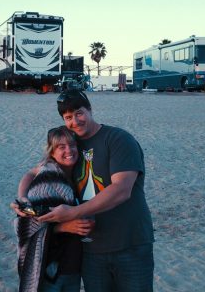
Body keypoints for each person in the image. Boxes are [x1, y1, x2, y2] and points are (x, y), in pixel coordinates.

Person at [40, 89, 154, 291]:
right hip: (91, 251)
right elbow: (38, 170)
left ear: (90, 110)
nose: (75, 121)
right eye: (68, 117)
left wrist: (73, 213)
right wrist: (22, 195)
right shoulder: (71, 146)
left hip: (130, 245)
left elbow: (122, 189)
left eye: (79, 113)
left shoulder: (118, 139)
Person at [14, 126, 94, 292]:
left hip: (72, 266)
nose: (69, 150)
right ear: (52, 152)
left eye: (72, 145)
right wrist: (63, 227)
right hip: (50, 270)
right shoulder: (47, 178)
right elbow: (25, 225)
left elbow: (30, 172)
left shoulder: (78, 174)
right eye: (61, 147)